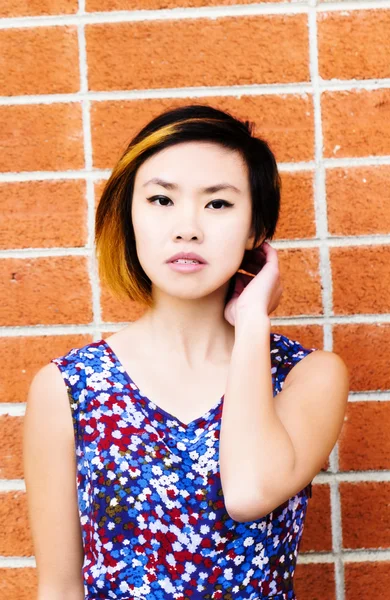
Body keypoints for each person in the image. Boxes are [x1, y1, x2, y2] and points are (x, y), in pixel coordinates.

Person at [23, 104, 349, 600]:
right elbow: (60, 588)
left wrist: (254, 322)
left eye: (217, 204)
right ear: (129, 217)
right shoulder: (69, 388)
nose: (187, 228)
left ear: (256, 231)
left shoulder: (311, 377)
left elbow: (248, 492)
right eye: (160, 200)